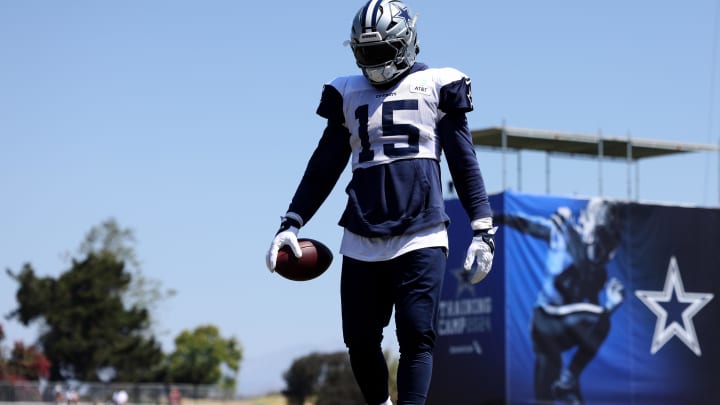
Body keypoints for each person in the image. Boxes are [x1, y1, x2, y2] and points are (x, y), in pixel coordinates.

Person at [265, 1, 496, 404]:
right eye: (365, 52)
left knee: (416, 334)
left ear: (407, 43)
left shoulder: (439, 84)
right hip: (361, 231)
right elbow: (324, 166)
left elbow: (463, 161)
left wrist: (482, 227)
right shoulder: (347, 92)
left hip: (421, 231)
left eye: (381, 50)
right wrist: (291, 222)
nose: (373, 62)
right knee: (359, 339)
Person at [499, 198, 625, 405]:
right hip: (546, 319)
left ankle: (567, 382)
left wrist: (609, 306)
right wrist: (495, 217)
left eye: (606, 244)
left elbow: (592, 327)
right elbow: (528, 225)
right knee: (602, 317)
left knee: (545, 397)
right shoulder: (566, 235)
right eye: (599, 237)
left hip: (557, 335)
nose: (601, 250)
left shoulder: (598, 273)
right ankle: (569, 378)